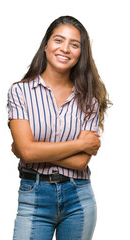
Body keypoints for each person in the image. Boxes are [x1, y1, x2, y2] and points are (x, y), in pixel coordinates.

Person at [8, 16, 111, 240]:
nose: (65, 49)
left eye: (75, 44)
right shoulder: (20, 92)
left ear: (81, 54)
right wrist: (79, 144)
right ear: (46, 45)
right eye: (58, 40)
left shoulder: (90, 99)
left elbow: (80, 162)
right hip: (34, 197)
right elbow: (27, 152)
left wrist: (33, 150)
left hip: (79, 197)